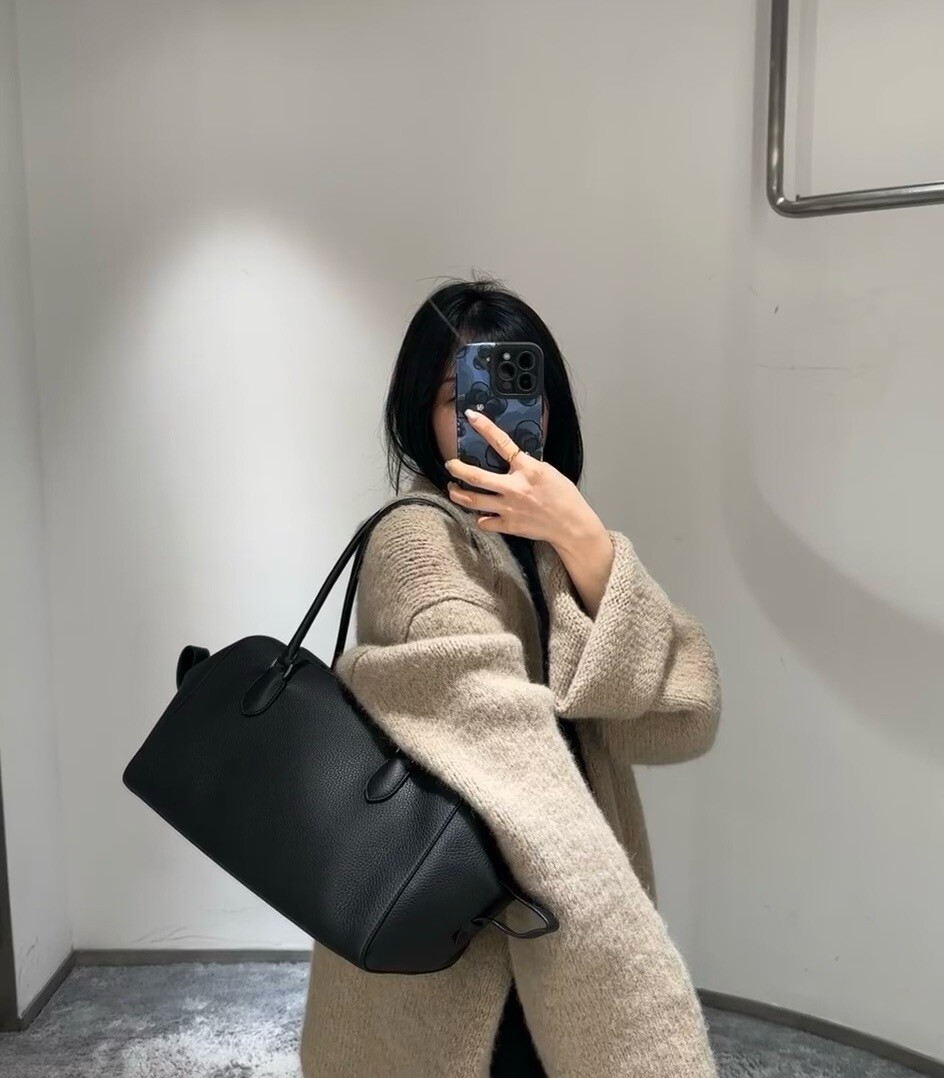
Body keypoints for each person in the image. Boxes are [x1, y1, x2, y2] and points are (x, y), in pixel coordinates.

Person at [299, 276, 722, 1077]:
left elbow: (682, 717)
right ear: (423, 414)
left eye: (522, 387)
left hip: (550, 917)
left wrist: (588, 543)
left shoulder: (561, 551)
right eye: (460, 395)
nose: (492, 415)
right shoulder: (415, 542)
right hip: (469, 934)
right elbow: (501, 744)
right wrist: (631, 968)